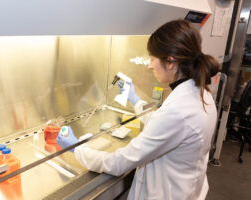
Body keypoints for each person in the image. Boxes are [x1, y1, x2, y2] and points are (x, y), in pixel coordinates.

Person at [56, 20, 219, 200]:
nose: (149, 66)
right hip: (187, 188)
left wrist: (76, 148)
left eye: (152, 59)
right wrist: (135, 100)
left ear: (171, 62)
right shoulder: (201, 93)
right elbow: (164, 127)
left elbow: (118, 163)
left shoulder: (179, 111)